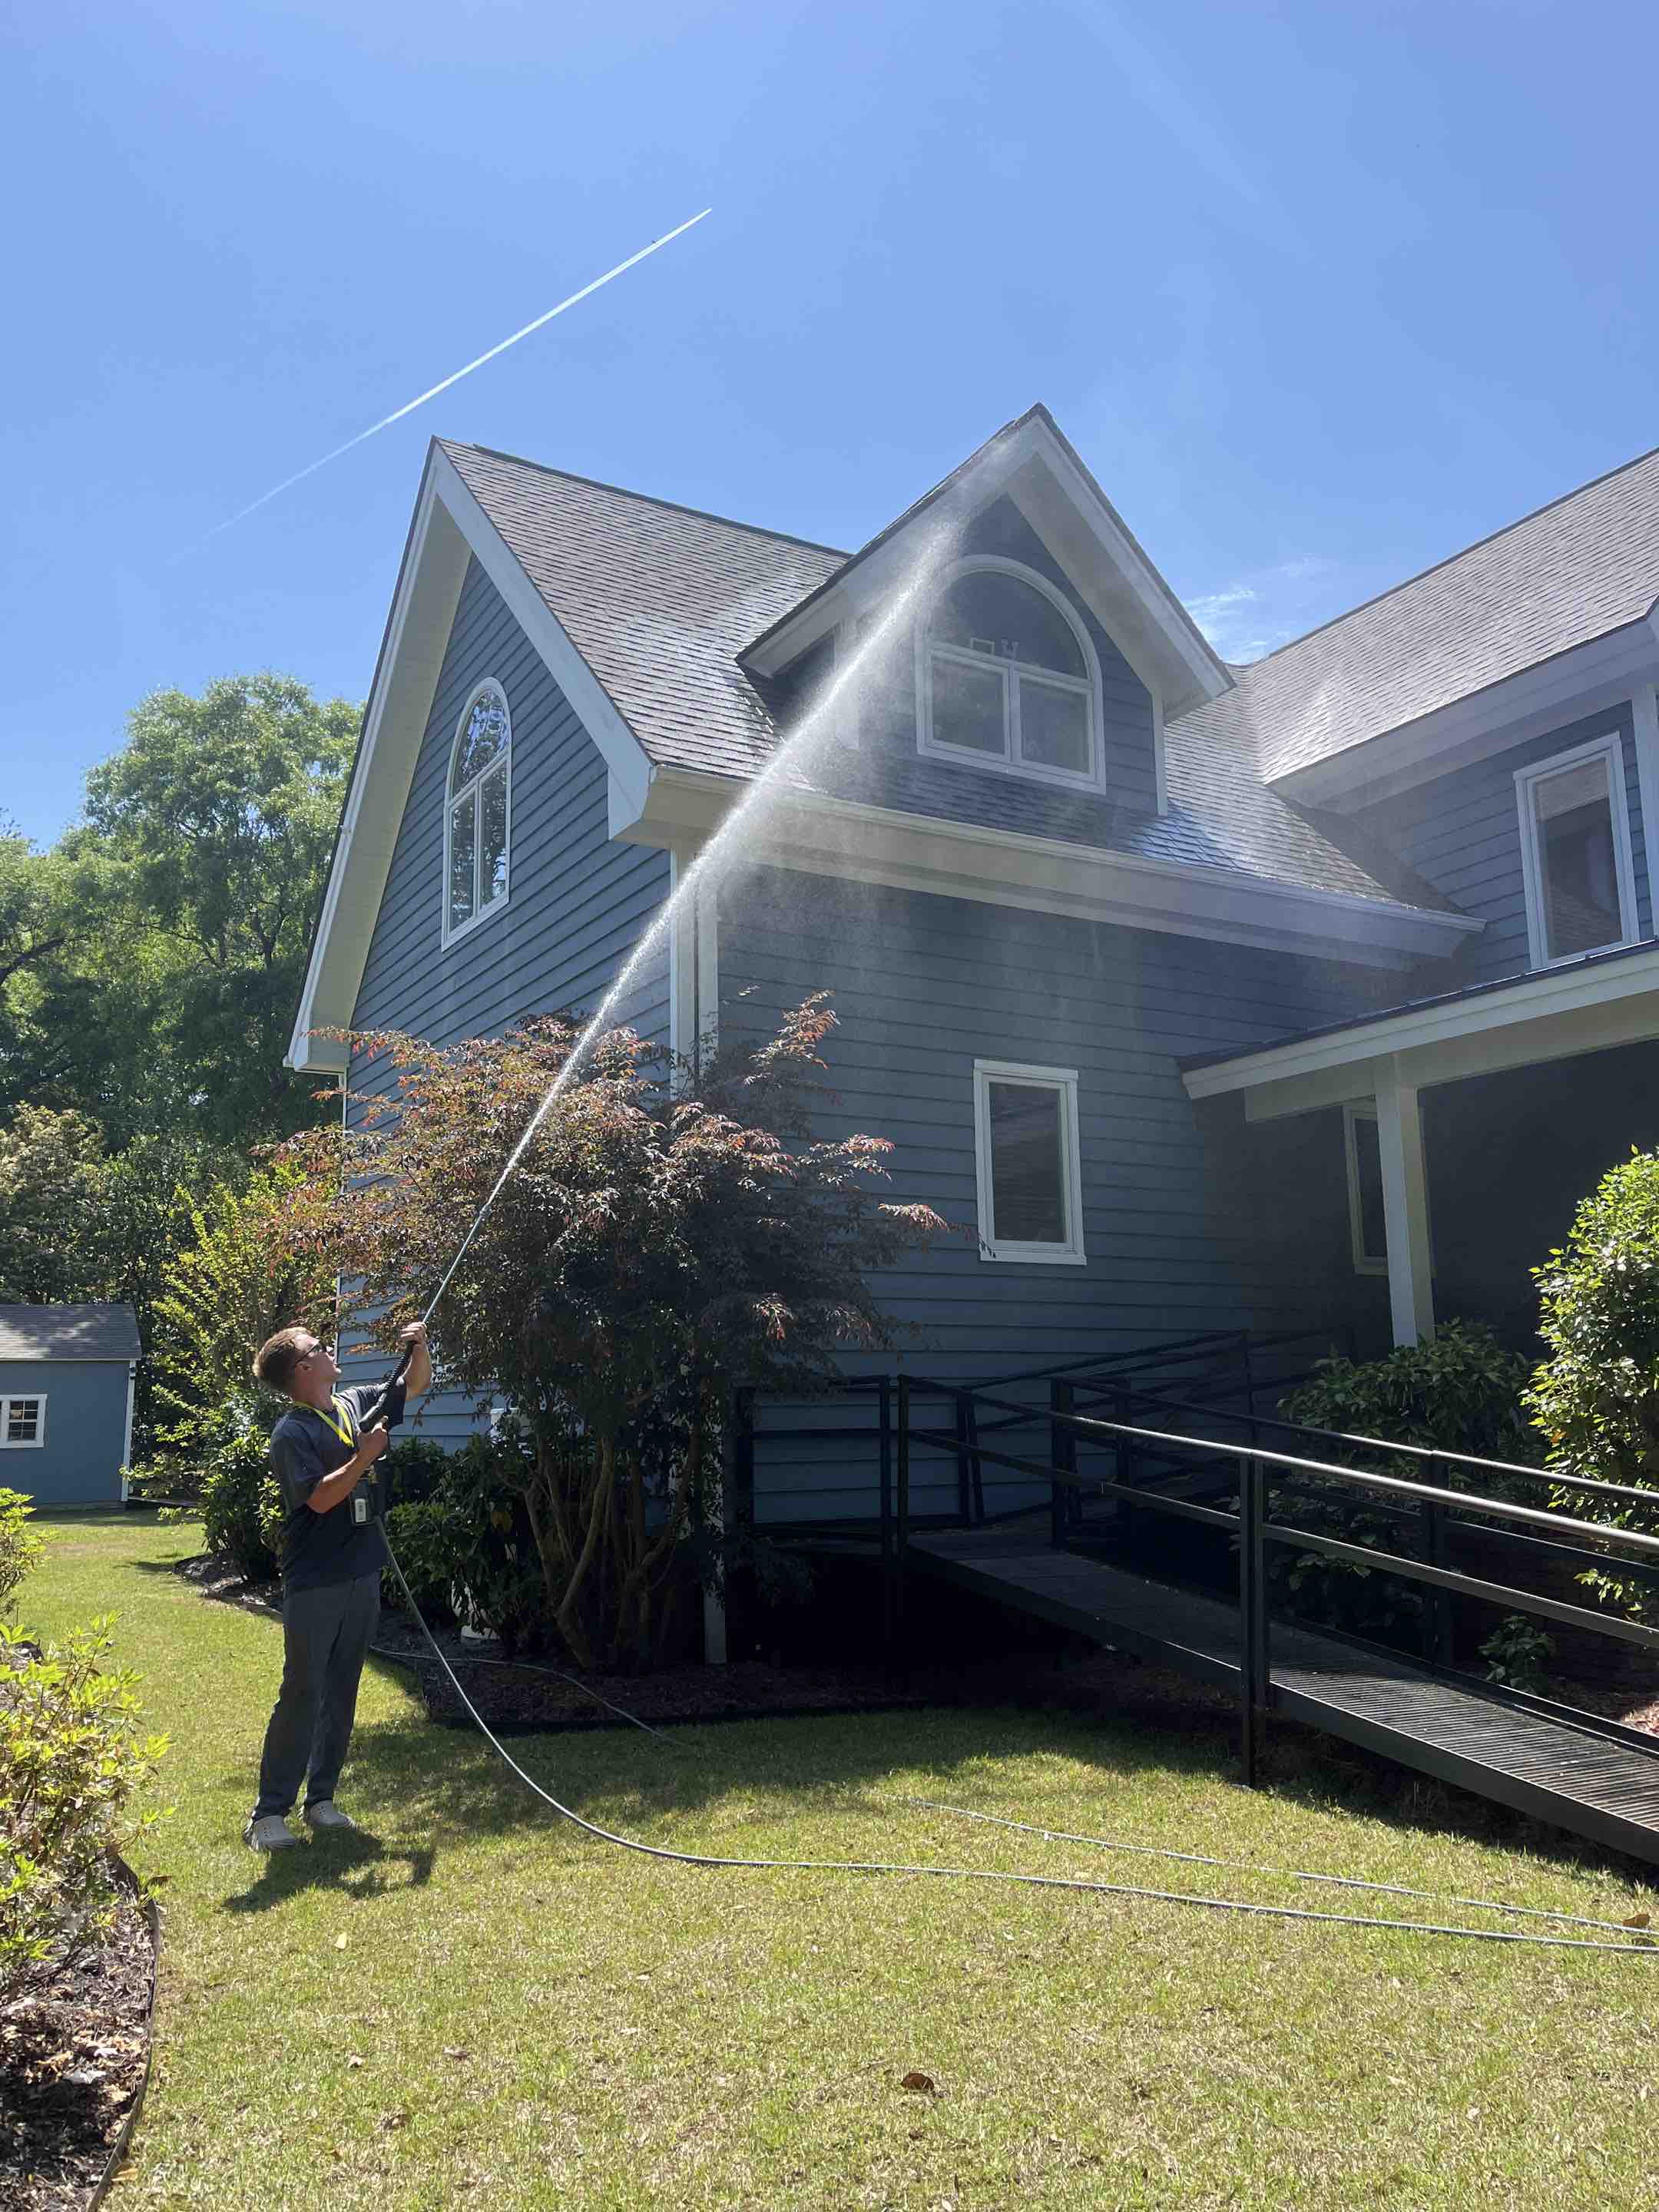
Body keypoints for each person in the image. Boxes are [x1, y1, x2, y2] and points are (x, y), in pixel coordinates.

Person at [243, 1319, 432, 1851]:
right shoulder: (292, 1433)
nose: (329, 1350)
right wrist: (364, 1456)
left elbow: (414, 1384)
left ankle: (320, 1800)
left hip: (361, 1572)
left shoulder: (351, 1404)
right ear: (303, 1369)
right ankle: (268, 1815)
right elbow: (320, 1499)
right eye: (319, 1347)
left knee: (342, 1689)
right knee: (303, 1692)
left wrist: (419, 1344)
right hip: (316, 1580)